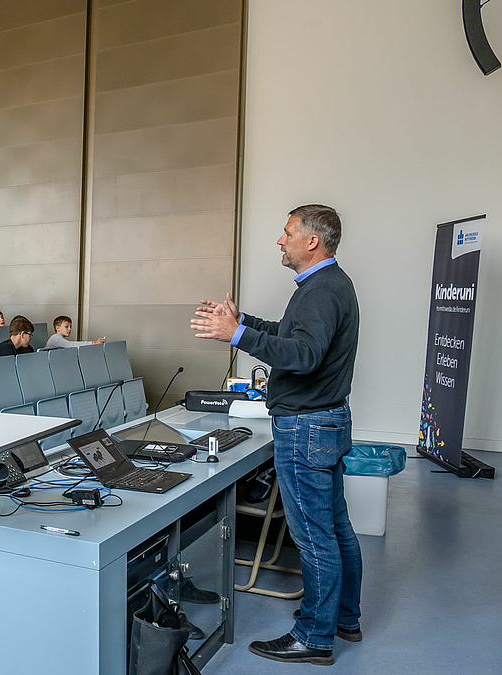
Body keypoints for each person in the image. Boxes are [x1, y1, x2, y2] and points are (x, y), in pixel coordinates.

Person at [191, 204, 360, 666]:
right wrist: (241, 322)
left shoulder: (323, 290)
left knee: (314, 537)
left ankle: (314, 636)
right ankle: (345, 616)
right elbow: (290, 334)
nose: (280, 240)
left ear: (312, 241)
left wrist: (236, 336)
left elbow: (302, 355)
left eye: (287, 233)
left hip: (306, 428)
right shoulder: (323, 285)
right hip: (323, 423)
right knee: (337, 529)